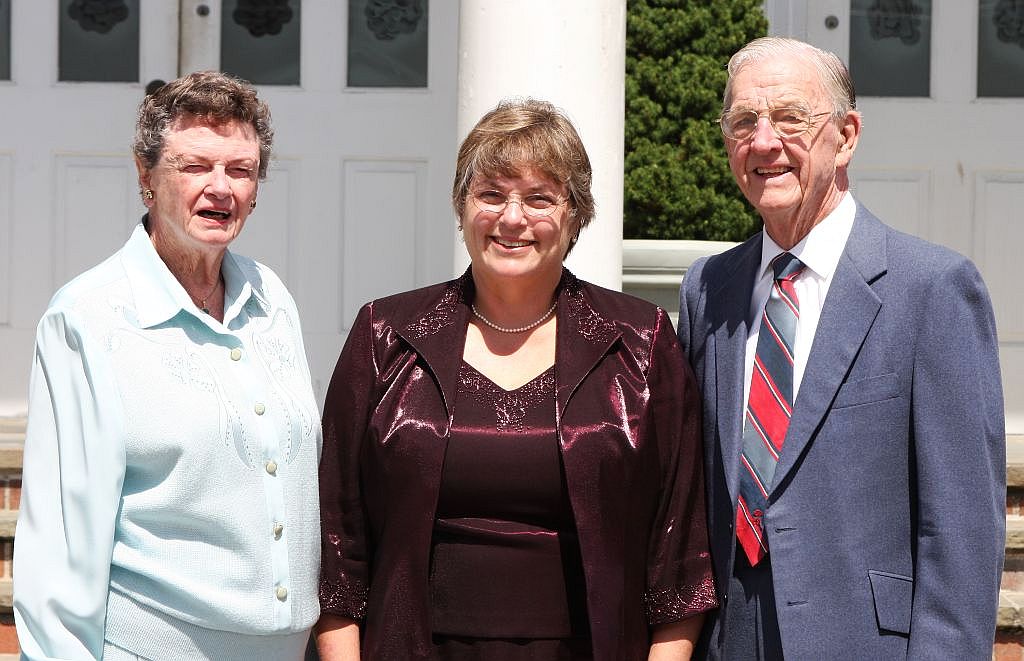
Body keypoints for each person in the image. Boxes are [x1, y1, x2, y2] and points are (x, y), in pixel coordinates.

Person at [316, 98, 716, 660]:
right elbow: (338, 536)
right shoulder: (386, 334)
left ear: (575, 215)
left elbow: (680, 543)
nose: (511, 218)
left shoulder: (641, 340)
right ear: (461, 207)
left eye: (539, 198)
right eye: (490, 194)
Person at [677, 37, 1006, 659]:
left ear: (846, 136)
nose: (764, 141)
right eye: (744, 122)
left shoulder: (932, 289)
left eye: (791, 118)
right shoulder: (708, 289)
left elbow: (962, 529)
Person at [13, 72, 322, 660]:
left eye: (241, 169)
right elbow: (60, 540)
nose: (220, 188)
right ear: (146, 176)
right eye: (195, 166)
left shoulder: (272, 299)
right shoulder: (87, 319)